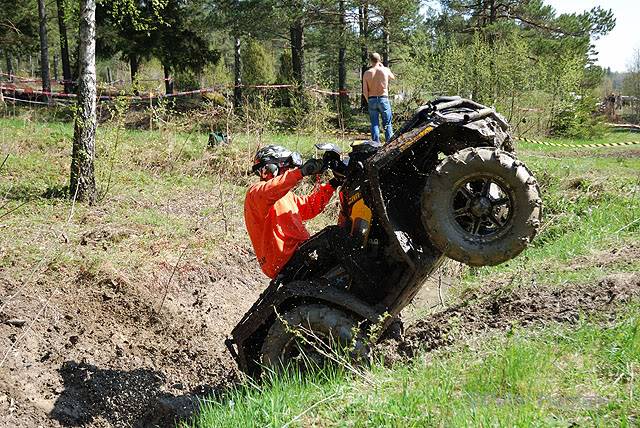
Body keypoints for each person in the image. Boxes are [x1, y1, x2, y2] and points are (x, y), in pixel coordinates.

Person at [244, 145, 340, 279]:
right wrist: (301, 172)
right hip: (286, 261)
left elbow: (309, 207)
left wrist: (333, 183)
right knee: (335, 236)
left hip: (299, 254)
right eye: (286, 168)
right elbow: (272, 189)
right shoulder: (256, 193)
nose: (289, 171)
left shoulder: (285, 195)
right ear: (270, 168)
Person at [363, 52, 396, 143]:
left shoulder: (367, 73)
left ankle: (375, 144)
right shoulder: (385, 70)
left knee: (374, 124)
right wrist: (382, 67)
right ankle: (390, 144)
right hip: (383, 98)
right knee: (387, 124)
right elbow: (392, 77)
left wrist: (368, 100)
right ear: (380, 59)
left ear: (370, 60)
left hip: (371, 99)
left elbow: (365, 91)